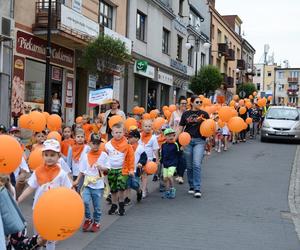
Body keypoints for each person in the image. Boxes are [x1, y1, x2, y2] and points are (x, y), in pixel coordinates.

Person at [17, 139, 72, 250]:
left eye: (52, 155)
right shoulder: (38, 171)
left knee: (51, 236)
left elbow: (68, 191)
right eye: (46, 155)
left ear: (58, 156)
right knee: (38, 237)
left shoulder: (61, 173)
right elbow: (30, 188)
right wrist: (18, 199)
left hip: (54, 209)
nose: (49, 157)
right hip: (38, 208)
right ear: (42, 155)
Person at [73, 134, 109, 232]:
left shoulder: (104, 155)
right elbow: (82, 170)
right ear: (89, 143)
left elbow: (107, 168)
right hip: (87, 184)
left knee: (97, 206)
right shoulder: (85, 156)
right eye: (94, 143)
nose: (96, 145)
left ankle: (96, 222)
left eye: (98, 143)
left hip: (98, 185)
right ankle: (88, 219)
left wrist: (102, 167)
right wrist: (76, 181)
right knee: (84, 201)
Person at [177, 95, 209, 198]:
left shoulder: (204, 114)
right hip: (187, 141)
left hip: (200, 141)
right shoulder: (186, 114)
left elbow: (209, 127)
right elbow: (180, 128)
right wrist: (175, 139)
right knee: (189, 165)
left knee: (196, 164)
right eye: (197, 102)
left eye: (200, 102)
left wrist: (209, 140)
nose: (199, 104)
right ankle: (191, 186)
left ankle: (197, 188)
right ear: (191, 103)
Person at [105, 122, 134, 216]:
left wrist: (131, 169)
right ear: (112, 133)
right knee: (113, 190)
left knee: (121, 188)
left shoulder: (127, 144)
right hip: (111, 170)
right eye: (116, 132)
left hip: (123, 170)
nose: (118, 134)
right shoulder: (108, 145)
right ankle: (114, 206)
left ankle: (121, 206)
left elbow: (131, 158)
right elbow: (104, 157)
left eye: (120, 132)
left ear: (123, 132)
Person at [139, 119, 159, 198]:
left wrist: (157, 159)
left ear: (152, 127)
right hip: (139, 158)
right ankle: (145, 187)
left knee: (144, 175)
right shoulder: (139, 136)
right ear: (142, 127)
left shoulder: (153, 138)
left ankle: (143, 190)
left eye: (149, 126)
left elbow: (155, 149)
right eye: (146, 126)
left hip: (148, 159)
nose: (147, 128)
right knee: (141, 175)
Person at [126, 129, 147, 204]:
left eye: (131, 137)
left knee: (134, 184)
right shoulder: (126, 147)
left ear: (137, 138)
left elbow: (144, 157)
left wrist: (141, 163)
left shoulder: (140, 148)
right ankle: (127, 199)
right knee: (127, 185)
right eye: (128, 137)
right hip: (127, 169)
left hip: (136, 170)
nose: (129, 138)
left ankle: (139, 190)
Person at [160, 128, 180, 199]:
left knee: (169, 176)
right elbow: (162, 154)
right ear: (165, 137)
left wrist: (182, 150)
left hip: (173, 163)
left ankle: (172, 190)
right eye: (169, 136)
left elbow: (178, 154)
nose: (171, 137)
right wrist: (161, 161)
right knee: (165, 178)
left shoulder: (175, 144)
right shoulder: (163, 145)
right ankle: (167, 192)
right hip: (165, 164)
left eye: (173, 135)